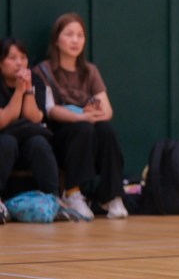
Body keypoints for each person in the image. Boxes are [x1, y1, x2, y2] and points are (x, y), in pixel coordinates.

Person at [33, 13, 127, 220]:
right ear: (56, 40)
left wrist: (95, 113)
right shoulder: (43, 70)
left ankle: (112, 195)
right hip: (58, 136)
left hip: (88, 133)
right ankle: (72, 193)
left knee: (105, 129)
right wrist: (81, 117)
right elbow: (50, 109)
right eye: (69, 35)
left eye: (80, 35)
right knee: (83, 128)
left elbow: (107, 110)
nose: (75, 40)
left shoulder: (90, 71)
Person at [0, 37, 61, 222]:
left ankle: (53, 199)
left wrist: (27, 90)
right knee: (7, 142)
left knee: (39, 142)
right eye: (12, 58)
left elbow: (34, 118)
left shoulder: (36, 81)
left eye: (23, 57)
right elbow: (3, 120)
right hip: (4, 143)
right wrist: (18, 91)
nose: (19, 63)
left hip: (26, 142)